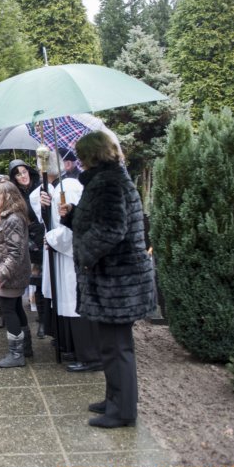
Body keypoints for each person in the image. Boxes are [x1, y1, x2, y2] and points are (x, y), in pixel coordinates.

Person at [58, 131, 155, 428]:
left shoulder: (108, 182)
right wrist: (71, 215)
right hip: (114, 279)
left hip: (117, 280)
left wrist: (84, 254)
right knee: (111, 346)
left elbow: (112, 229)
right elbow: (98, 221)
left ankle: (123, 411)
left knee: (117, 347)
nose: (78, 160)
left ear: (92, 155)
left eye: (81, 155)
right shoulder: (106, 179)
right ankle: (115, 398)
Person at [31, 155, 101, 372]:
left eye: (40, 163)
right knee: (68, 300)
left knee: (74, 300)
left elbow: (73, 223)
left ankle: (91, 356)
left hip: (72, 256)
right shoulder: (57, 187)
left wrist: (51, 238)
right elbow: (53, 219)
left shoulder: (68, 187)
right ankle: (75, 348)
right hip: (63, 255)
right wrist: (45, 207)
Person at [0, 180, 32, 368]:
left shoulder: (12, 219)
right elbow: (6, 240)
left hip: (12, 275)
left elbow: (15, 252)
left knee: (9, 309)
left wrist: (2, 275)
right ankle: (25, 348)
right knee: (17, 307)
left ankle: (16, 354)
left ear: (6, 196)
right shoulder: (10, 216)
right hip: (14, 273)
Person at [8, 159, 45, 337]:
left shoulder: (40, 187)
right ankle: (41, 319)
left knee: (48, 281)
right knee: (37, 280)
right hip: (29, 240)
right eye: (17, 173)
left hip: (44, 236)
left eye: (24, 171)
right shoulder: (16, 195)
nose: (22, 176)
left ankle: (46, 320)